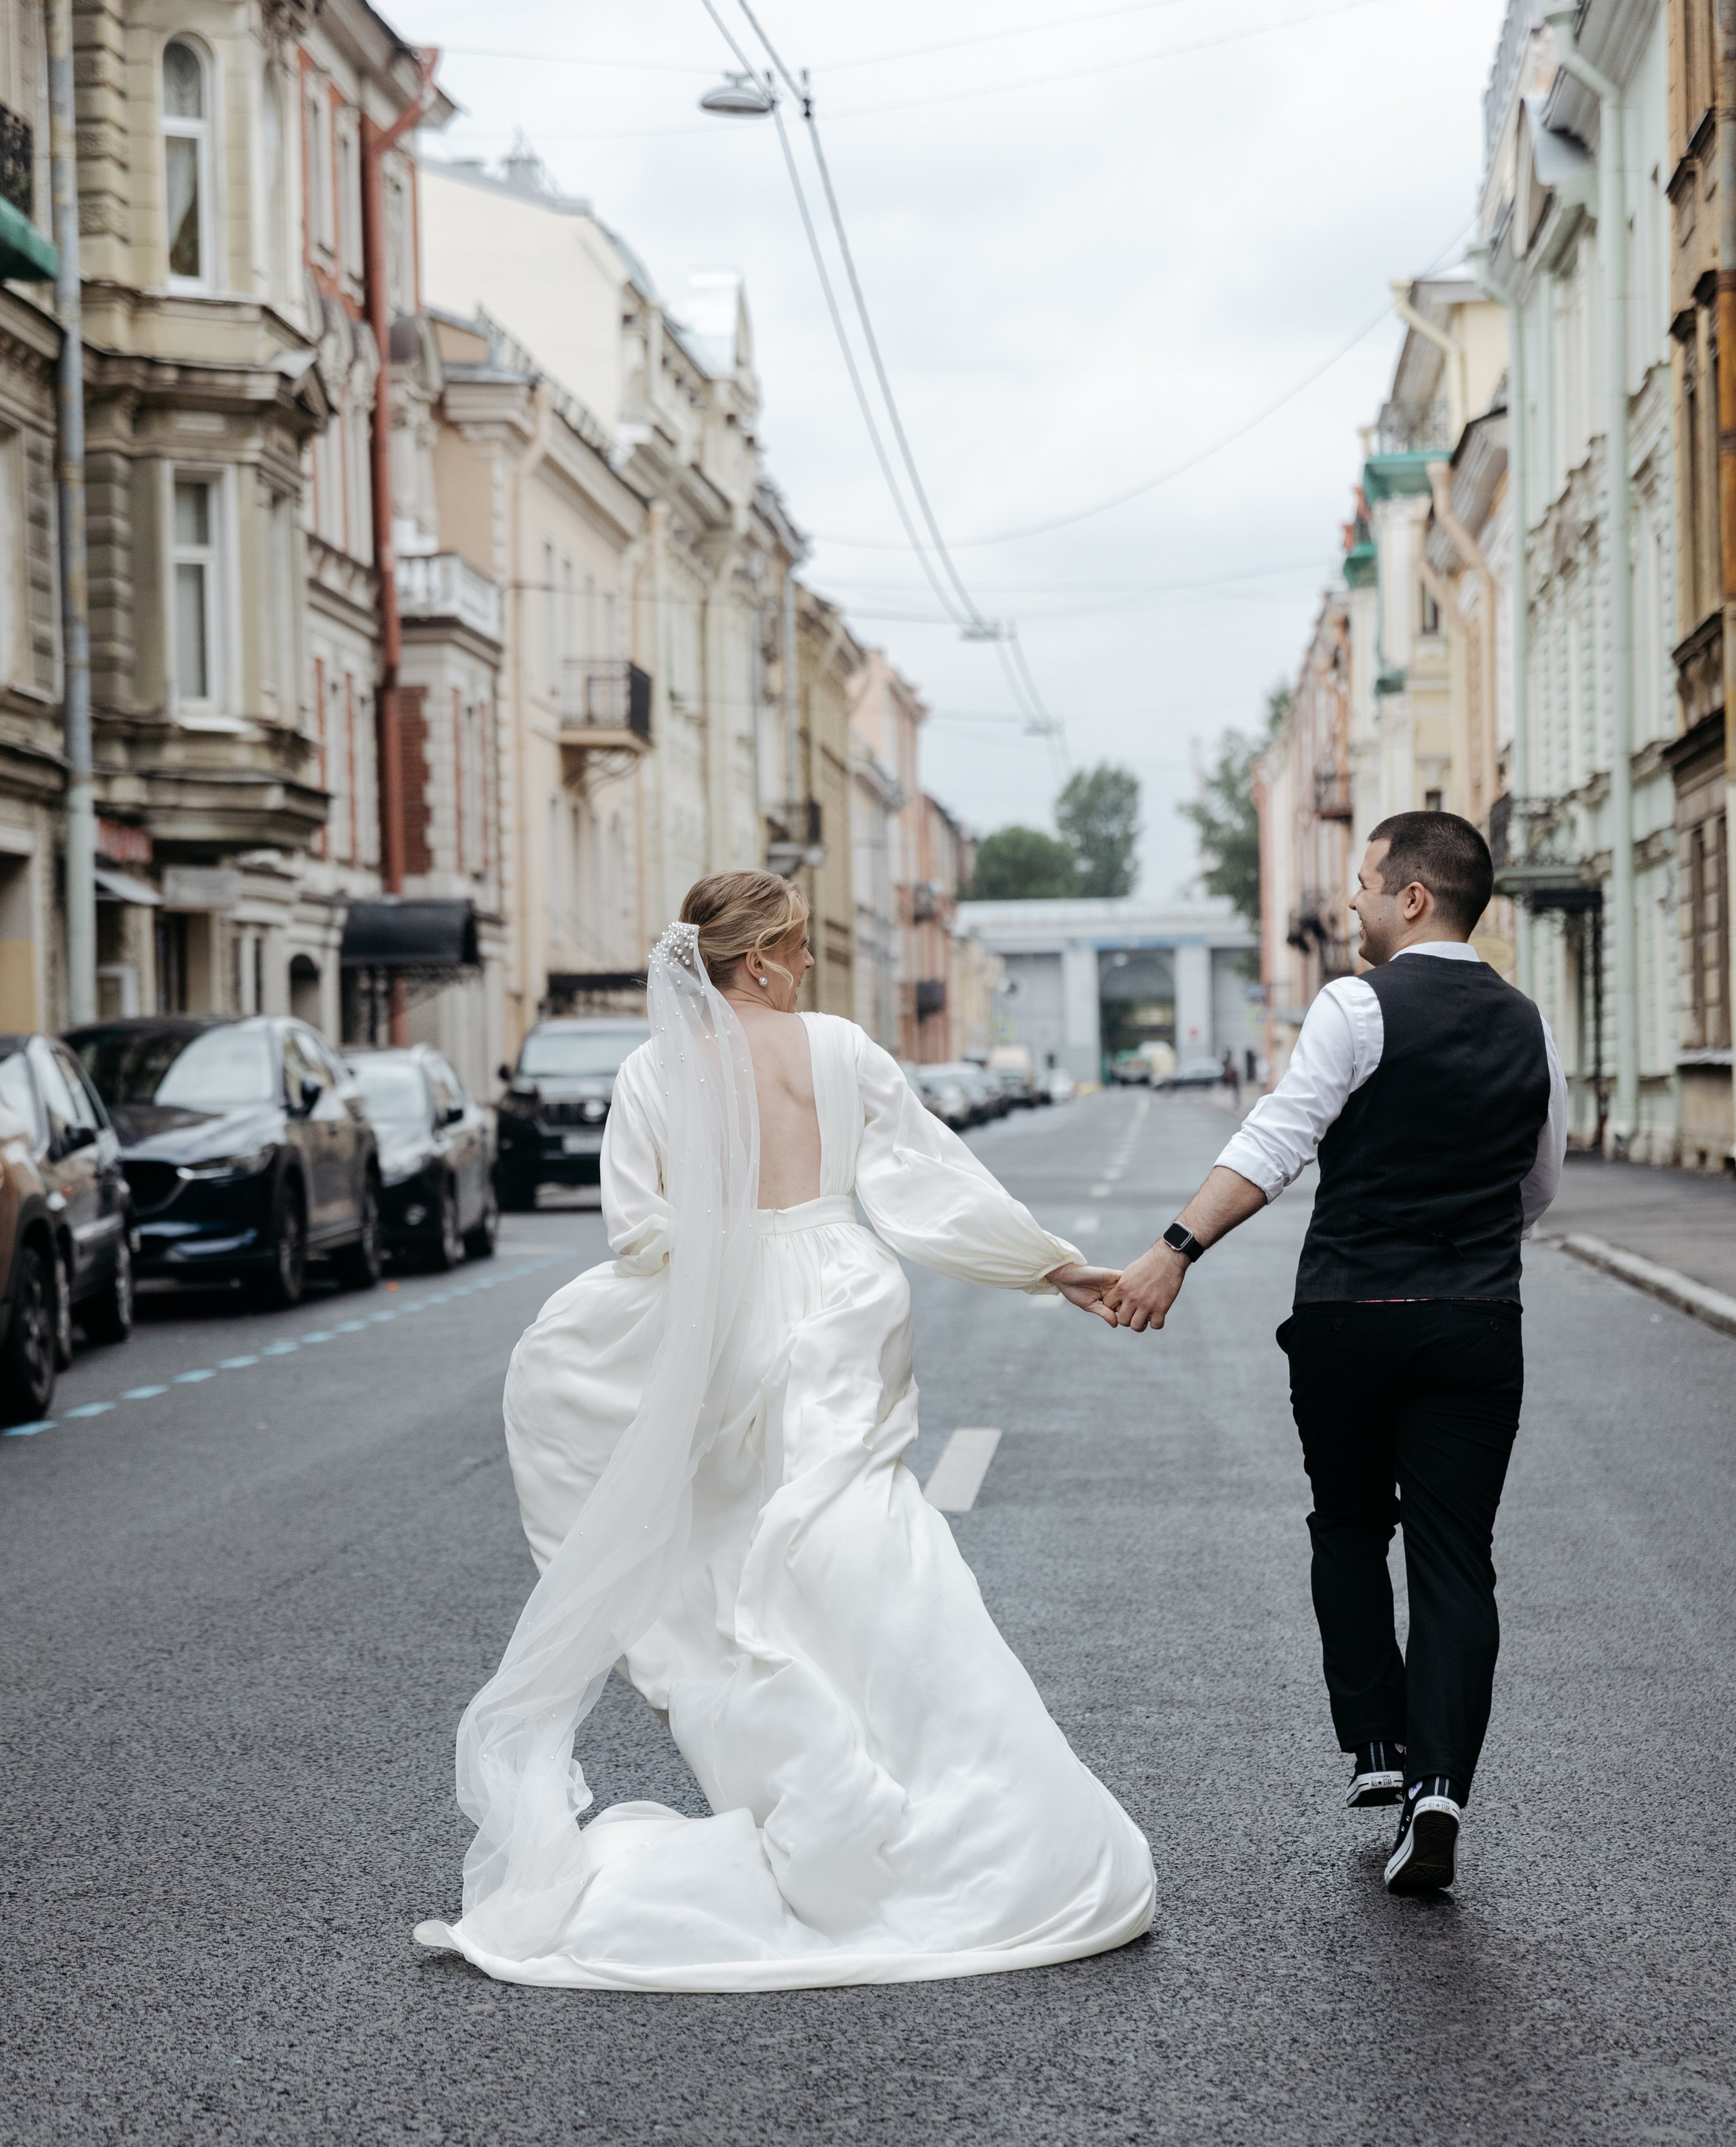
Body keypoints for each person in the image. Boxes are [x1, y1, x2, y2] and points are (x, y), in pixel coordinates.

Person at [415, 871, 1154, 1991]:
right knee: (865, 1538)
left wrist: (715, 1263)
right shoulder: (840, 1050)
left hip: (730, 1316)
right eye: (797, 946)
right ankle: (968, 1810)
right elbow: (927, 1181)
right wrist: (1050, 1266)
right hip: (845, 1303)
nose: (810, 962)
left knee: (739, 1549)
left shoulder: (653, 1071)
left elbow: (638, 1233)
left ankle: (820, 1787)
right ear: (754, 959)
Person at [1101, 812, 1565, 1898]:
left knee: (1351, 1524)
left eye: (1365, 885)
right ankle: (1437, 1788)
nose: (1351, 903)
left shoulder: (1357, 1004)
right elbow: (1538, 1187)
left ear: (1412, 898)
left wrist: (1176, 1251)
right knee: (1456, 1556)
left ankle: (1375, 1744)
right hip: (1475, 1321)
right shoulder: (1528, 1021)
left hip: (1352, 1316)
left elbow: (1280, 1138)